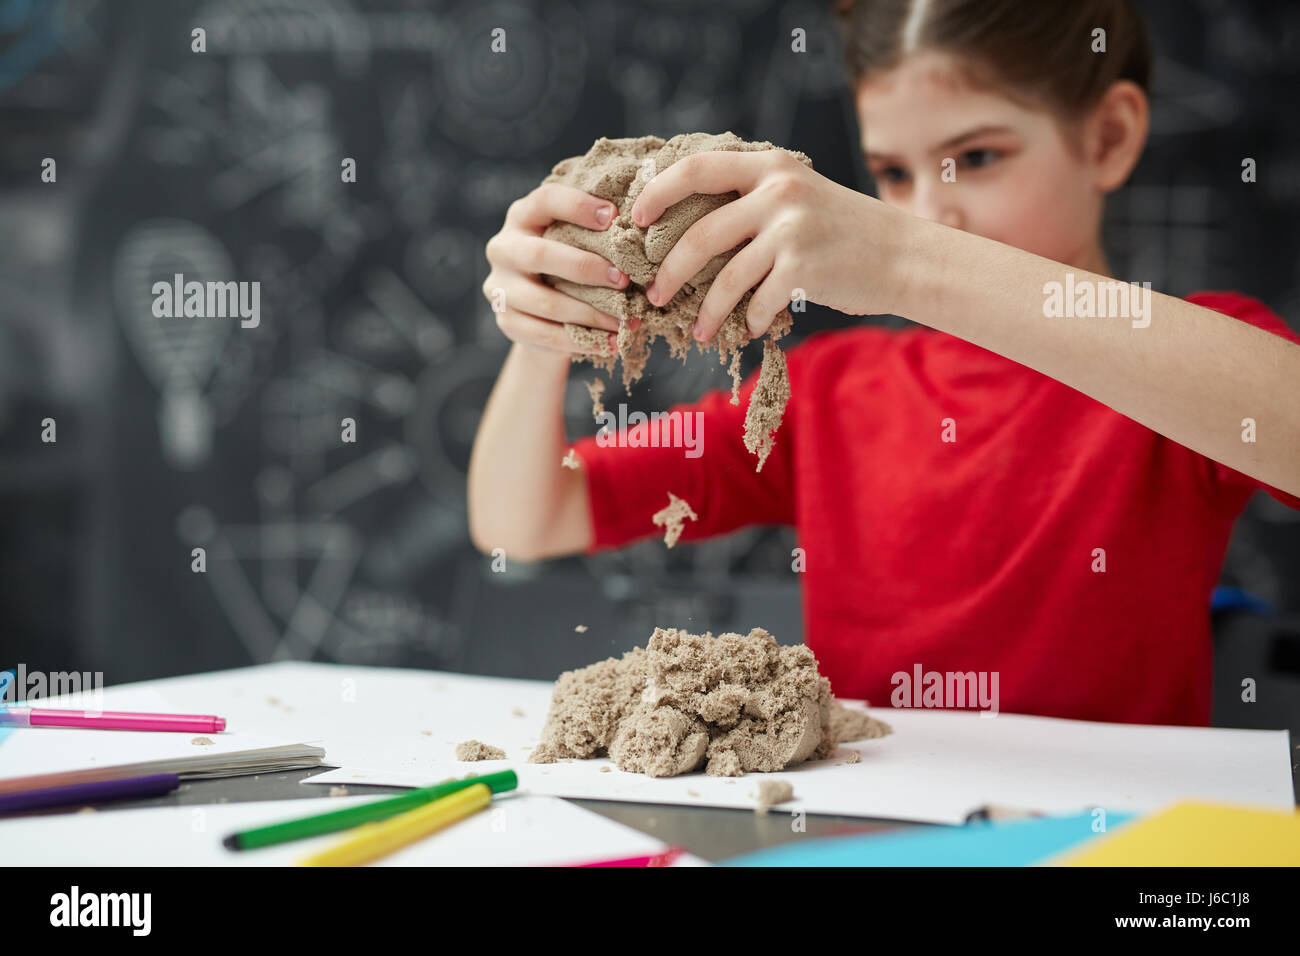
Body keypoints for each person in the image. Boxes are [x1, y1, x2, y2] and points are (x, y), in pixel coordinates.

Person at [468, 0, 1300, 726]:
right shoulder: (826, 395)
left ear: (1109, 139)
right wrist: (542, 334)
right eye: (894, 174)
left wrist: (907, 259)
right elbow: (526, 519)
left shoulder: (1195, 356)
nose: (931, 209)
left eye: (977, 158)